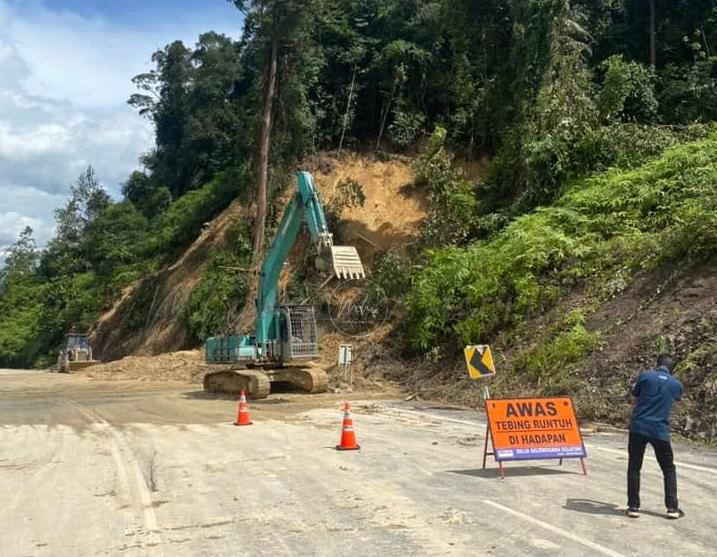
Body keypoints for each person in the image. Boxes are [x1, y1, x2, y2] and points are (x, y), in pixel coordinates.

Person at [626, 353, 683, 519]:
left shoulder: (645, 376)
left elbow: (634, 395)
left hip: (639, 427)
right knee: (668, 468)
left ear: (657, 363)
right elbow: (677, 399)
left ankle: (633, 506)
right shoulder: (676, 384)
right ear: (673, 368)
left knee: (634, 467)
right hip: (659, 430)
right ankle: (672, 508)